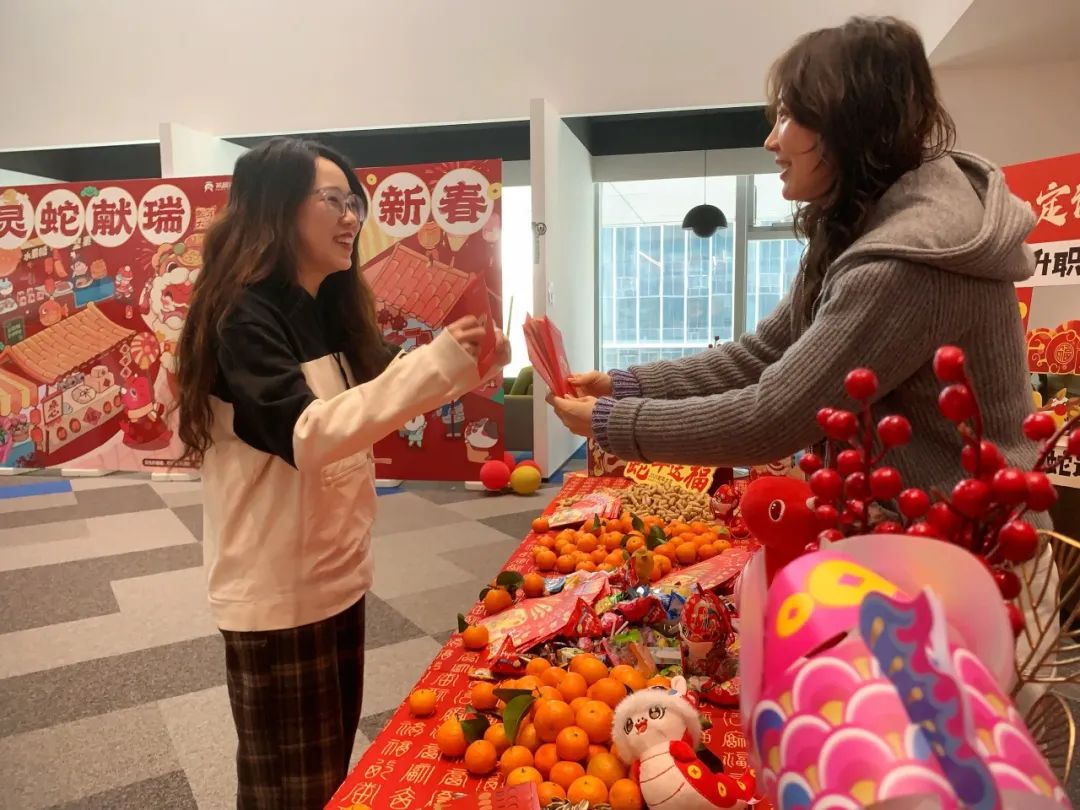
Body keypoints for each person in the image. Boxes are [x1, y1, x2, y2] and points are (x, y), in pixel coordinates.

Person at [551, 15, 1041, 502]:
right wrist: (626, 386)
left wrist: (613, 421)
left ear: (848, 121)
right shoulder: (860, 226)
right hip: (911, 525)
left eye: (787, 117)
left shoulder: (907, 257)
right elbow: (763, 353)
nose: (770, 141)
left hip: (967, 537)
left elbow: (775, 417)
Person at [175, 138, 509, 809]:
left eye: (354, 202)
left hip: (335, 574)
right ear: (276, 208)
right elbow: (309, 434)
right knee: (288, 791)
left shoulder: (328, 304)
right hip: (277, 589)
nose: (352, 216)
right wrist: (438, 364)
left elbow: (376, 402)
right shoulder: (243, 315)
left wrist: (467, 366)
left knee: (329, 775)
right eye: (333, 200)